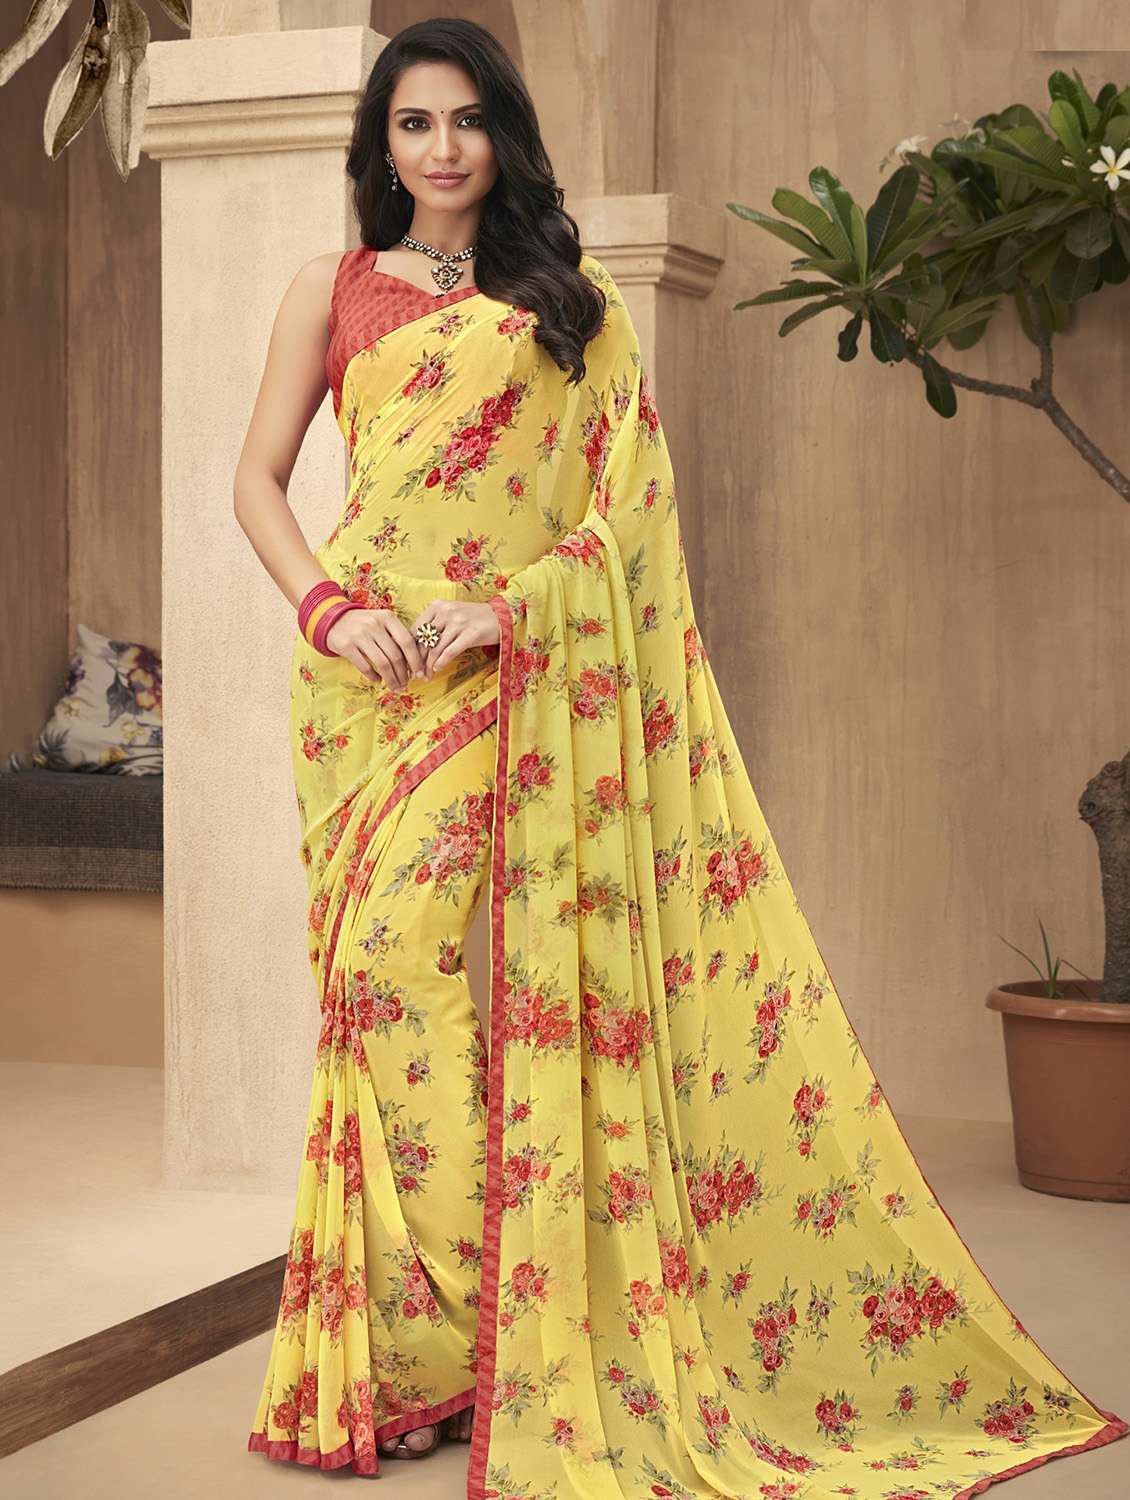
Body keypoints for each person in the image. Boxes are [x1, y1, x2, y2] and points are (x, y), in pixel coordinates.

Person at [234, 15, 1127, 1494]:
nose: (443, 148)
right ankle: (437, 1341)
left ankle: (499, 1331)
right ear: (380, 143)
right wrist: (330, 613)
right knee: (374, 989)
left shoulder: (568, 300)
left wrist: (505, 611)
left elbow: (625, 519)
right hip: (356, 685)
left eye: (467, 120)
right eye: (414, 123)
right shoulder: (326, 290)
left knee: (409, 969)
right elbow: (259, 482)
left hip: (503, 673)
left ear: (504, 135)